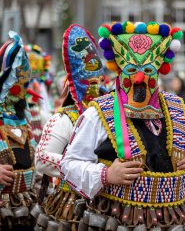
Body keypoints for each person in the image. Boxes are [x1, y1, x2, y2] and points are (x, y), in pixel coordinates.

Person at [60, 21, 185, 230]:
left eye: (147, 69)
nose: (139, 78)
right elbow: (69, 164)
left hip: (176, 218)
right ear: (120, 71)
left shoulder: (177, 107)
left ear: (157, 72)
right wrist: (106, 175)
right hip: (120, 218)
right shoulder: (98, 112)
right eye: (132, 69)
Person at [32, 24, 107, 230]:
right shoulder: (64, 119)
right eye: (89, 82)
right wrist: (87, 169)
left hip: (107, 204)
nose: (97, 88)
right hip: (72, 207)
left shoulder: (111, 116)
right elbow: (42, 159)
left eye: (99, 81)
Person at [0, 31, 36, 230]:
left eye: (24, 84)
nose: (19, 90)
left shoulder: (23, 117)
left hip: (25, 207)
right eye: (15, 83)